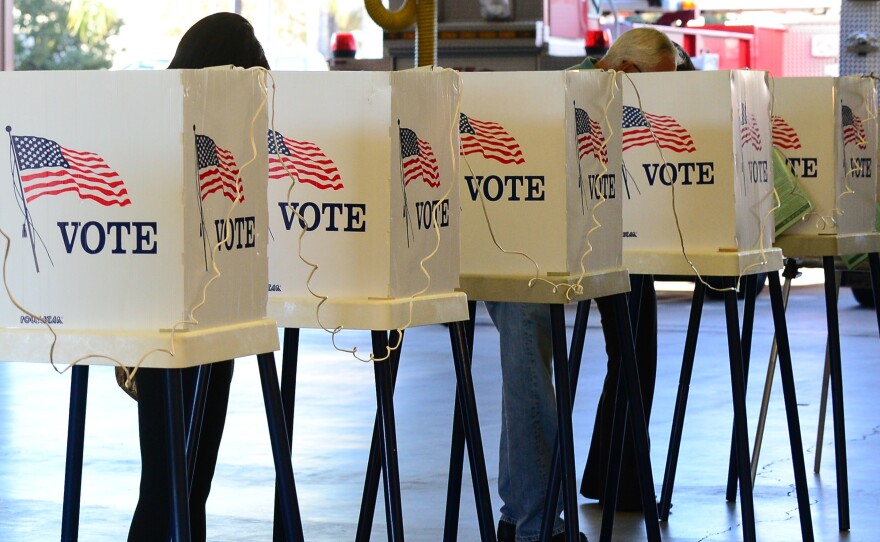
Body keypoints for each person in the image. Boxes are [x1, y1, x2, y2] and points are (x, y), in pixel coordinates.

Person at [492, 27, 677, 542]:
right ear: (626, 71)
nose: (663, 97)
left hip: (587, 246)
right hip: (523, 252)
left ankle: (524, 515)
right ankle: (536, 526)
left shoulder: (610, 99)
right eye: (658, 84)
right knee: (528, 357)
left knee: (539, 365)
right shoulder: (562, 96)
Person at [127, 13, 270, 542]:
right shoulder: (172, 132)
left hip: (205, 315)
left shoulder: (193, 128)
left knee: (186, 488)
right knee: (172, 488)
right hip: (177, 324)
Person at [580, 34, 695, 513]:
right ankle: (621, 484)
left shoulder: (593, 85)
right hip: (604, 240)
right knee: (633, 357)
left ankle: (611, 477)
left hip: (628, 236)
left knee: (632, 357)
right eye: (658, 82)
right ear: (627, 69)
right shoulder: (583, 93)